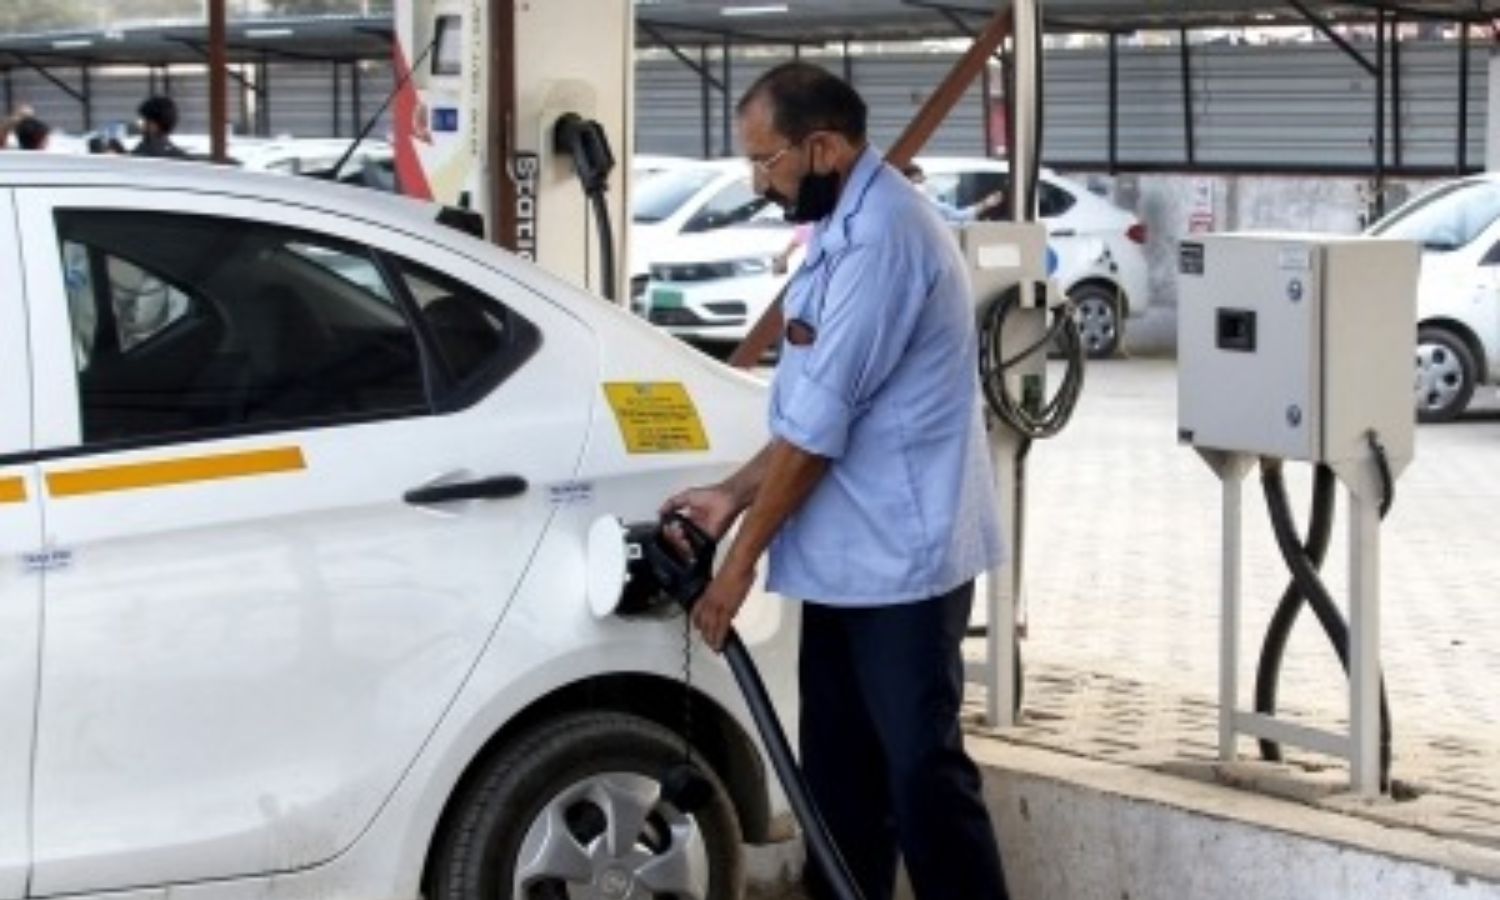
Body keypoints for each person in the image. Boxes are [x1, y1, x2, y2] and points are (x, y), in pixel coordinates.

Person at [660, 62, 1009, 900]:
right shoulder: (841, 228)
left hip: (903, 566)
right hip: (847, 560)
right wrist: (730, 496)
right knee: (839, 782)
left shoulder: (884, 241)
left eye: (767, 161)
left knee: (921, 778)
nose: (760, 182)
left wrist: (738, 565)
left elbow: (817, 436)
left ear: (821, 148)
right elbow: (809, 413)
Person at [901, 161, 1006, 223]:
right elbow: (959, 216)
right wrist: (986, 204)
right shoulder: (926, 204)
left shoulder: (899, 202)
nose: (923, 186)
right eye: (918, 182)